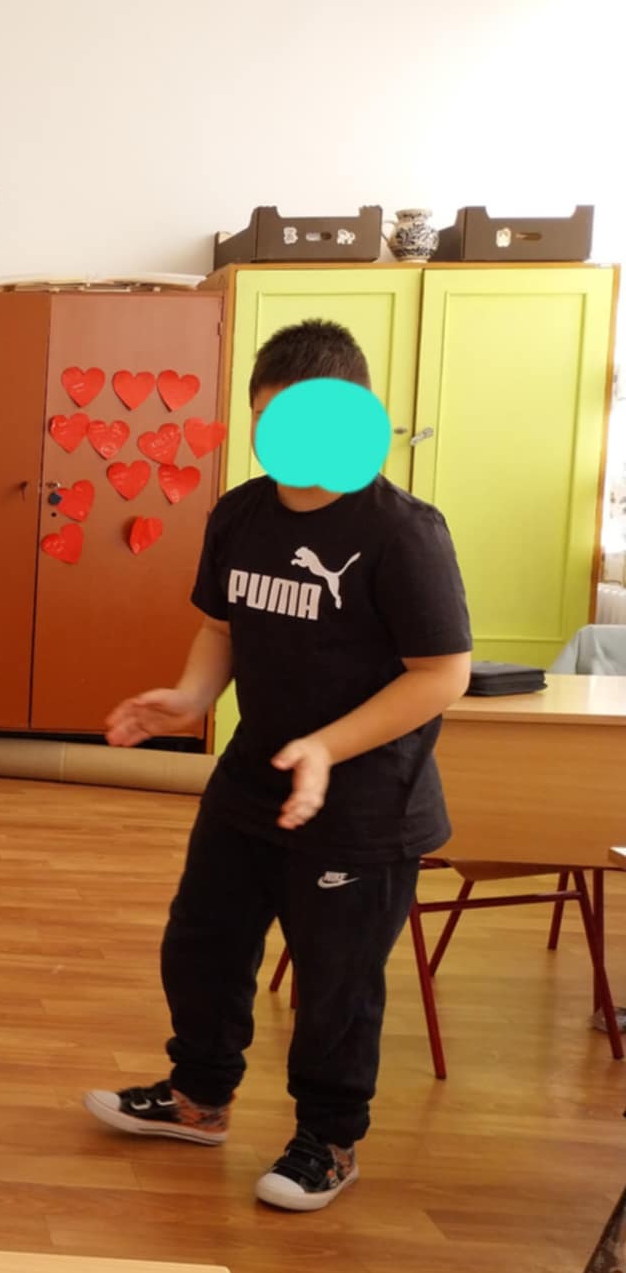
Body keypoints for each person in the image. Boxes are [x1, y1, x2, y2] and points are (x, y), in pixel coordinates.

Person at [86, 319, 471, 1212]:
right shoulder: (240, 513)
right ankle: (199, 1100)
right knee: (202, 944)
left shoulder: (404, 533)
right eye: (272, 423)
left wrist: (328, 746)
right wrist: (193, 696)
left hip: (365, 803)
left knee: (336, 983)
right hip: (251, 781)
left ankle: (329, 1139)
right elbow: (220, 625)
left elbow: (441, 674)